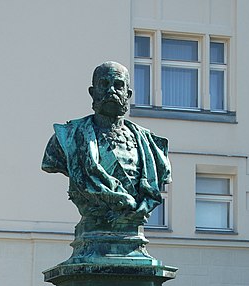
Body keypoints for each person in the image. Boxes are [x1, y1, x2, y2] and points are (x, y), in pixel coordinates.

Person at [42, 61, 171, 225]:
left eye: (118, 85)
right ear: (92, 92)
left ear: (128, 94)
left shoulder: (151, 144)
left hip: (132, 234)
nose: (111, 90)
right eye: (104, 84)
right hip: (92, 232)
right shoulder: (67, 137)